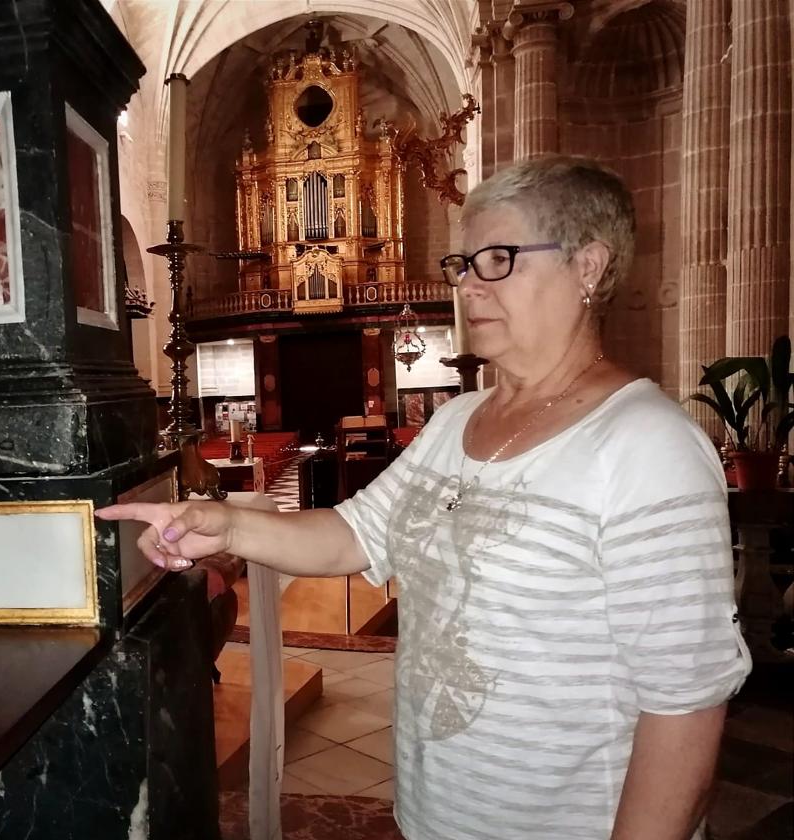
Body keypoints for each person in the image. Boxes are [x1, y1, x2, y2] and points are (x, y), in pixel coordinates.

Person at [97, 155, 751, 840]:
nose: (469, 286)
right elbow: (353, 534)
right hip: (434, 818)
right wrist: (222, 524)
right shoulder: (455, 423)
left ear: (588, 266)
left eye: (498, 259)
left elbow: (686, 703)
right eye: (462, 264)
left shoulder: (649, 446)